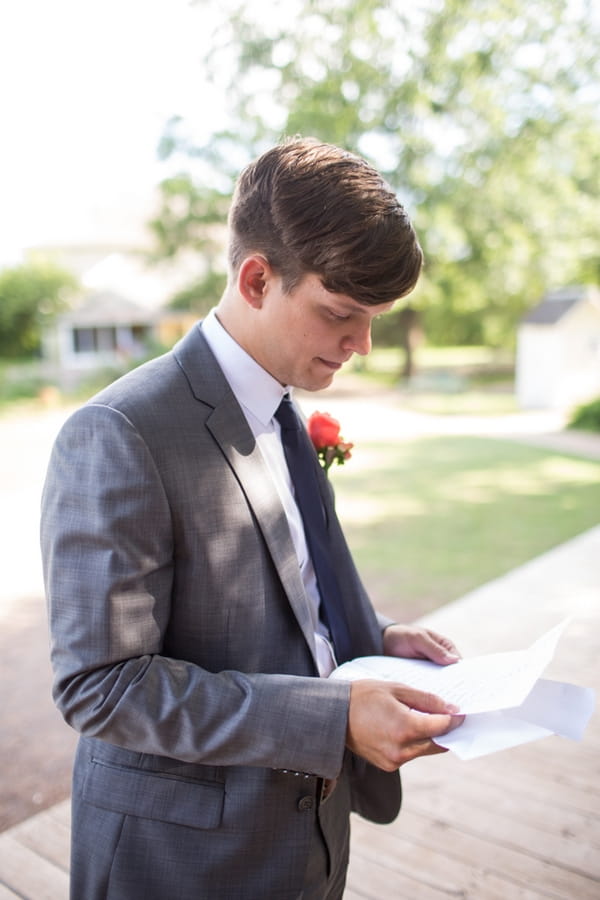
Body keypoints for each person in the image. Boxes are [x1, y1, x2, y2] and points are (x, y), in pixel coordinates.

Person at [41, 137, 463, 900]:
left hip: (303, 841)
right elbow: (100, 685)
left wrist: (374, 641)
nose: (362, 345)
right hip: (182, 863)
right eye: (342, 313)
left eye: (373, 319)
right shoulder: (119, 433)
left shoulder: (282, 405)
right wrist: (330, 719)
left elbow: (291, 587)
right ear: (258, 278)